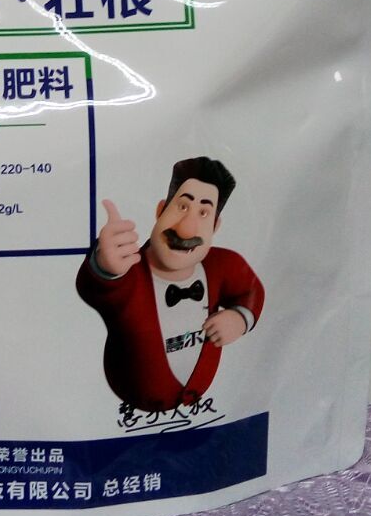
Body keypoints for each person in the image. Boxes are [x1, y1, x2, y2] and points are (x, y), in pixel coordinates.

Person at [75, 156, 263, 413]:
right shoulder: (131, 273)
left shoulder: (223, 264)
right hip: (131, 403)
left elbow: (250, 290)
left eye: (204, 212)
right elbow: (97, 290)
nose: (186, 229)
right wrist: (104, 265)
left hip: (196, 406)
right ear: (161, 210)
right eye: (182, 207)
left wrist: (240, 318)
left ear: (215, 225)